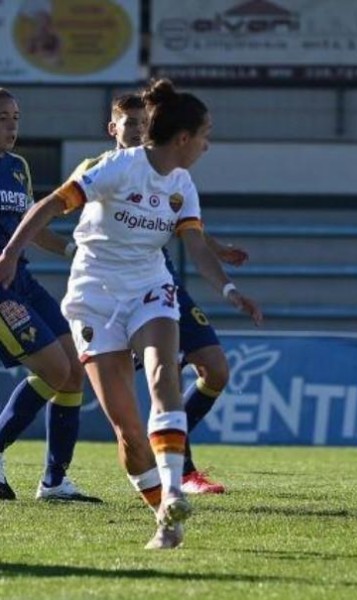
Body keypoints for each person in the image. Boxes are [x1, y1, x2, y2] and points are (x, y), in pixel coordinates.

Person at [0, 79, 262, 550]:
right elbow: (50, 205)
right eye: (205, 134)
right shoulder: (114, 168)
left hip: (149, 287)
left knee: (164, 377)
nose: (208, 144)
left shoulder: (182, 185)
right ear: (182, 138)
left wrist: (228, 287)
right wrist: (11, 254)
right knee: (129, 432)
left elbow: (195, 244)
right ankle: (164, 515)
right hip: (93, 298)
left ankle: (177, 488)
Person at [78, 93, 246, 495]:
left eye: (143, 122)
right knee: (149, 384)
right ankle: (177, 473)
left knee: (215, 369)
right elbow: (72, 221)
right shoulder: (100, 170)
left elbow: (183, 223)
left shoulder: (170, 173)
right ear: (113, 128)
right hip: (109, 292)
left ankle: (176, 467)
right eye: (130, 123)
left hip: (158, 284)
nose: (138, 130)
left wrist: (217, 251)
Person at [0, 87, 98, 502]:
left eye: (16, 117)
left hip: (22, 278)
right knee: (55, 372)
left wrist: (75, 249)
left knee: (74, 370)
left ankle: (55, 481)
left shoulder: (17, 167)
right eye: (3, 117)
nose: (12, 125)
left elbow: (31, 228)